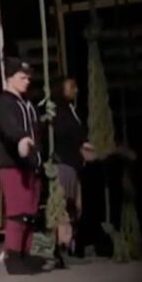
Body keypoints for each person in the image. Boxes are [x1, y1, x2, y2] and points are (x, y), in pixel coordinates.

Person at [0, 57, 45, 274]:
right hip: (12, 164)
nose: (27, 81)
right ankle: (13, 256)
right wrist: (21, 139)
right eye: (22, 78)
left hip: (31, 164)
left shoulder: (27, 104)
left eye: (28, 78)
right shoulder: (4, 102)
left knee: (31, 212)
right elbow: (9, 126)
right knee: (18, 211)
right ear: (10, 78)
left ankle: (25, 253)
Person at [47, 77, 96, 268]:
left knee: (75, 208)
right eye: (72, 87)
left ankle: (70, 245)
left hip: (73, 165)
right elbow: (72, 136)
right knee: (63, 208)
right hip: (63, 164)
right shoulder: (58, 113)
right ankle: (62, 247)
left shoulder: (70, 111)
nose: (76, 90)